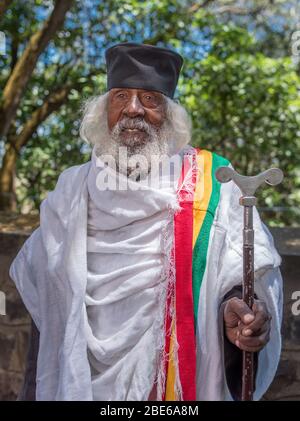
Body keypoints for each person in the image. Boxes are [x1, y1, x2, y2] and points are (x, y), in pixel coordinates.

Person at [10, 42, 283, 401]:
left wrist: (233, 310)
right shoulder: (69, 193)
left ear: (170, 116)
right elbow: (47, 299)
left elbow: (242, 270)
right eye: (121, 95)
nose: (133, 109)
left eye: (150, 99)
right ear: (103, 111)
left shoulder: (214, 183)